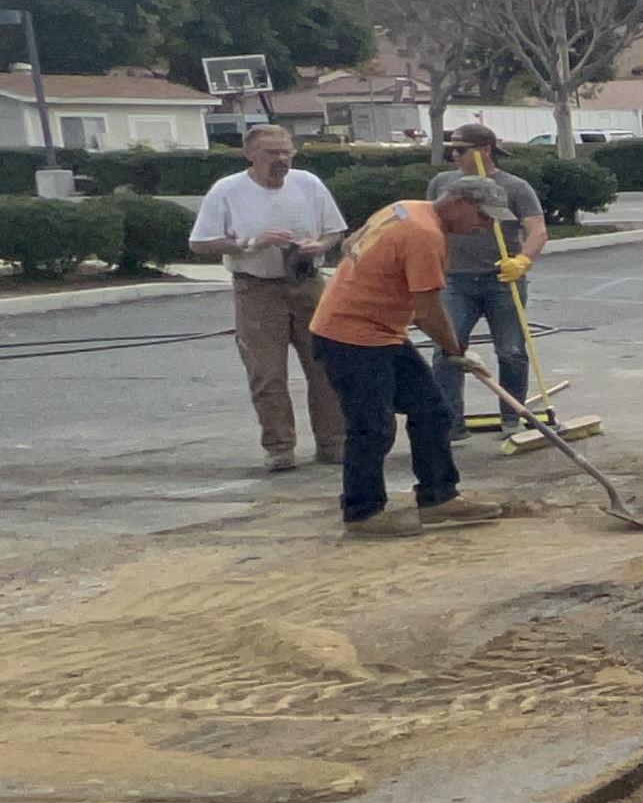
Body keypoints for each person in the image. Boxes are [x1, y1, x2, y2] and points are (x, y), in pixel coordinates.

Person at [309, 177, 515, 537]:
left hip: (382, 332)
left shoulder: (404, 209)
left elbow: (349, 244)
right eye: (482, 217)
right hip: (350, 336)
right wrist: (455, 351)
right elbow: (427, 310)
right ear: (457, 202)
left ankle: (439, 498)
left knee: (431, 410)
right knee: (371, 427)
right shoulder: (424, 235)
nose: (485, 226)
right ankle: (363, 514)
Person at [188, 124, 351, 471]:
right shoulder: (228, 190)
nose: (281, 159)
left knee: (326, 365)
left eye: (286, 152)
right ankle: (279, 446)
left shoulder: (308, 184)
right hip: (257, 287)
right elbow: (200, 242)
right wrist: (250, 243)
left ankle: (333, 441)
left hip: (307, 283)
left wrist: (320, 245)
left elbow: (335, 229)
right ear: (250, 154)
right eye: (271, 153)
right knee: (267, 372)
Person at [426, 124, 546, 435]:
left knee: (511, 350)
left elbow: (537, 230)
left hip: (501, 280)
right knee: (447, 350)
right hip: (454, 280)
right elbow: (428, 223)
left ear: (485, 151)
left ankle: (511, 419)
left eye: (461, 149)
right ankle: (450, 422)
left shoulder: (515, 187)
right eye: (452, 149)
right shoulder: (442, 183)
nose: (454, 155)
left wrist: (522, 261)